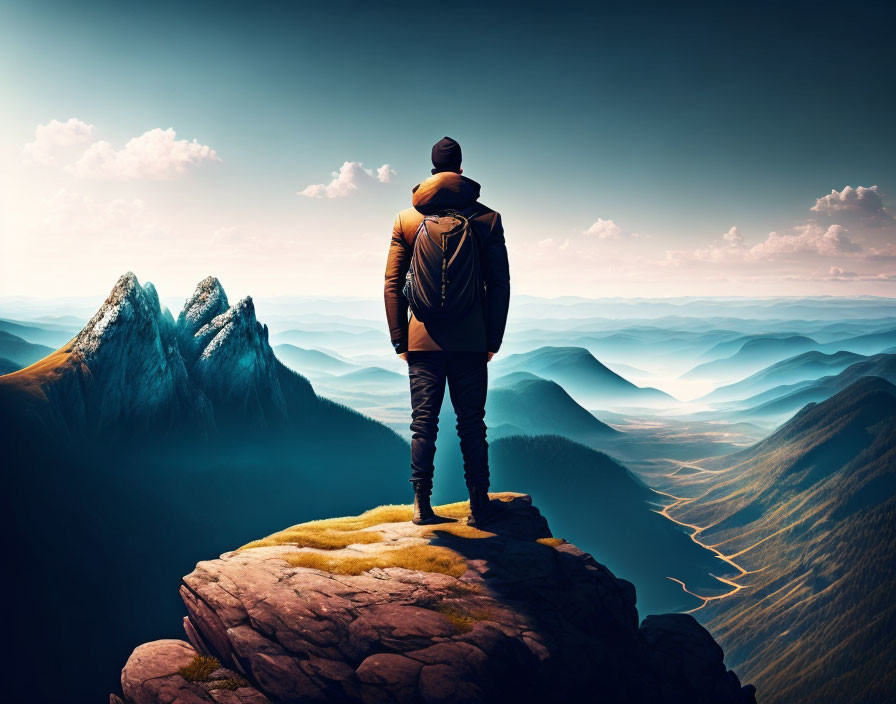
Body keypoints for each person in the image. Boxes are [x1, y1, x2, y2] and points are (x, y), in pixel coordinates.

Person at [384, 136, 510, 526]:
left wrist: (399, 340)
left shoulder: (407, 219)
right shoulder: (488, 219)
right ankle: (479, 506)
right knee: (472, 423)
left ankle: (422, 505)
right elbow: (500, 285)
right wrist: (492, 340)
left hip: (422, 339)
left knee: (423, 423)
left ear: (433, 168)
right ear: (460, 167)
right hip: (472, 341)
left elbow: (392, 282)